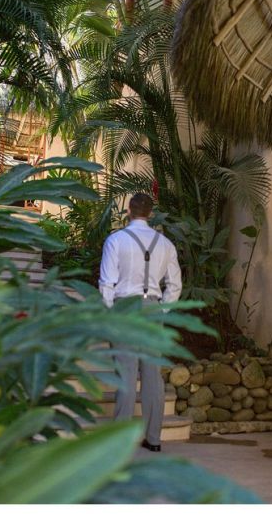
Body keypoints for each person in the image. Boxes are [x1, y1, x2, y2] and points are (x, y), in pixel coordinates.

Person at [99, 193, 182, 452]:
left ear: (129, 211)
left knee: (125, 373)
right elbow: (175, 285)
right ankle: (153, 439)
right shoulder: (166, 244)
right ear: (151, 212)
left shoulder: (116, 240)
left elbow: (106, 284)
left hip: (124, 307)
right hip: (153, 308)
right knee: (152, 376)